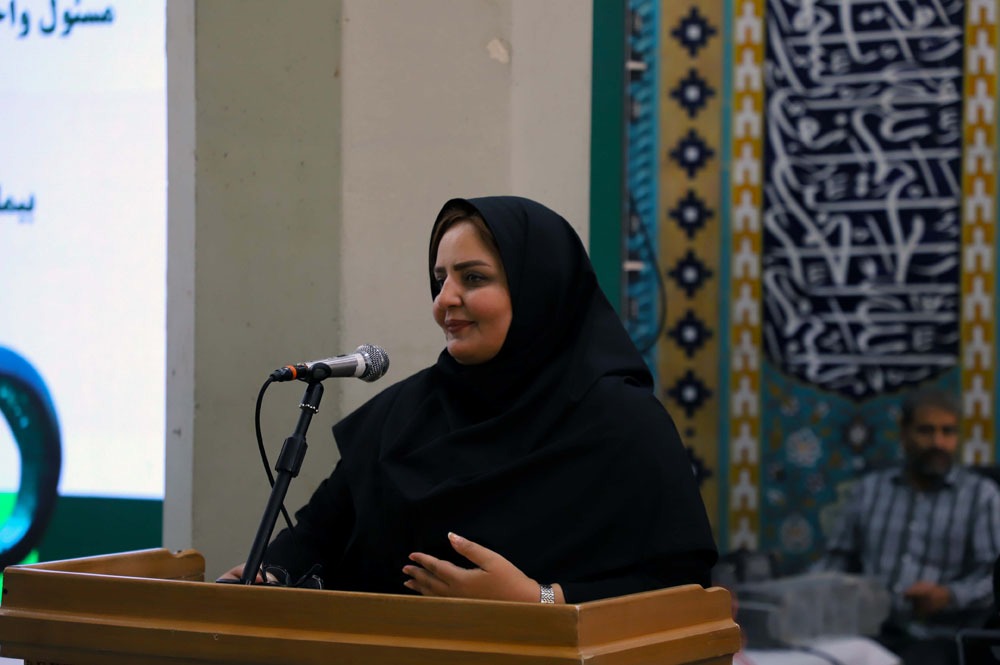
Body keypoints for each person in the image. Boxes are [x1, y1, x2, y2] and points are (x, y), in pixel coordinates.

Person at [220, 195, 718, 603]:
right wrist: (272, 571)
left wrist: (541, 599)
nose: (444, 300)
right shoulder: (402, 415)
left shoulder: (621, 422)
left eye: (473, 278)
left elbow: (680, 584)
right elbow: (317, 534)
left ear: (539, 289)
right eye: (440, 280)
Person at [814, 388, 1000, 664]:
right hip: (870, 631)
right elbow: (836, 560)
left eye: (948, 432)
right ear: (904, 433)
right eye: (926, 431)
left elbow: (991, 578)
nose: (938, 442)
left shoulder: (981, 497)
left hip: (940, 636)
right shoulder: (870, 490)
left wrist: (949, 596)